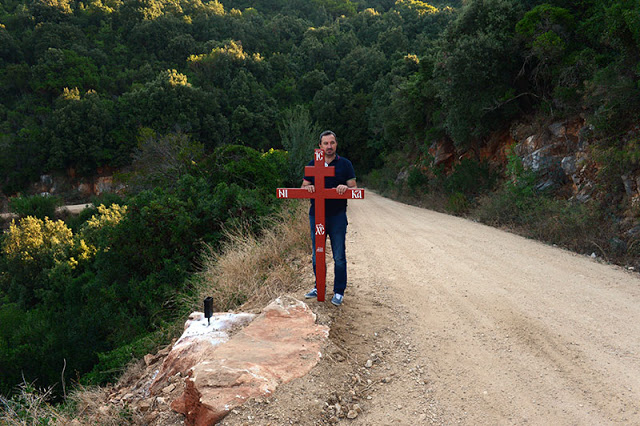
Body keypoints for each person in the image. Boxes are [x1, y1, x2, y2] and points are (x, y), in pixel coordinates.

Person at [302, 130, 357, 306]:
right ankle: (319, 287)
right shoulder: (312, 164)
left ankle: (339, 291)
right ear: (320, 146)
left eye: (332, 143)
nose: (329, 147)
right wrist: (308, 189)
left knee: (339, 255)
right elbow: (303, 186)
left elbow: (354, 189)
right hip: (316, 215)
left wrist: (345, 189)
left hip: (337, 216)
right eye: (325, 143)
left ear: (336, 144)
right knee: (317, 254)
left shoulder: (345, 164)